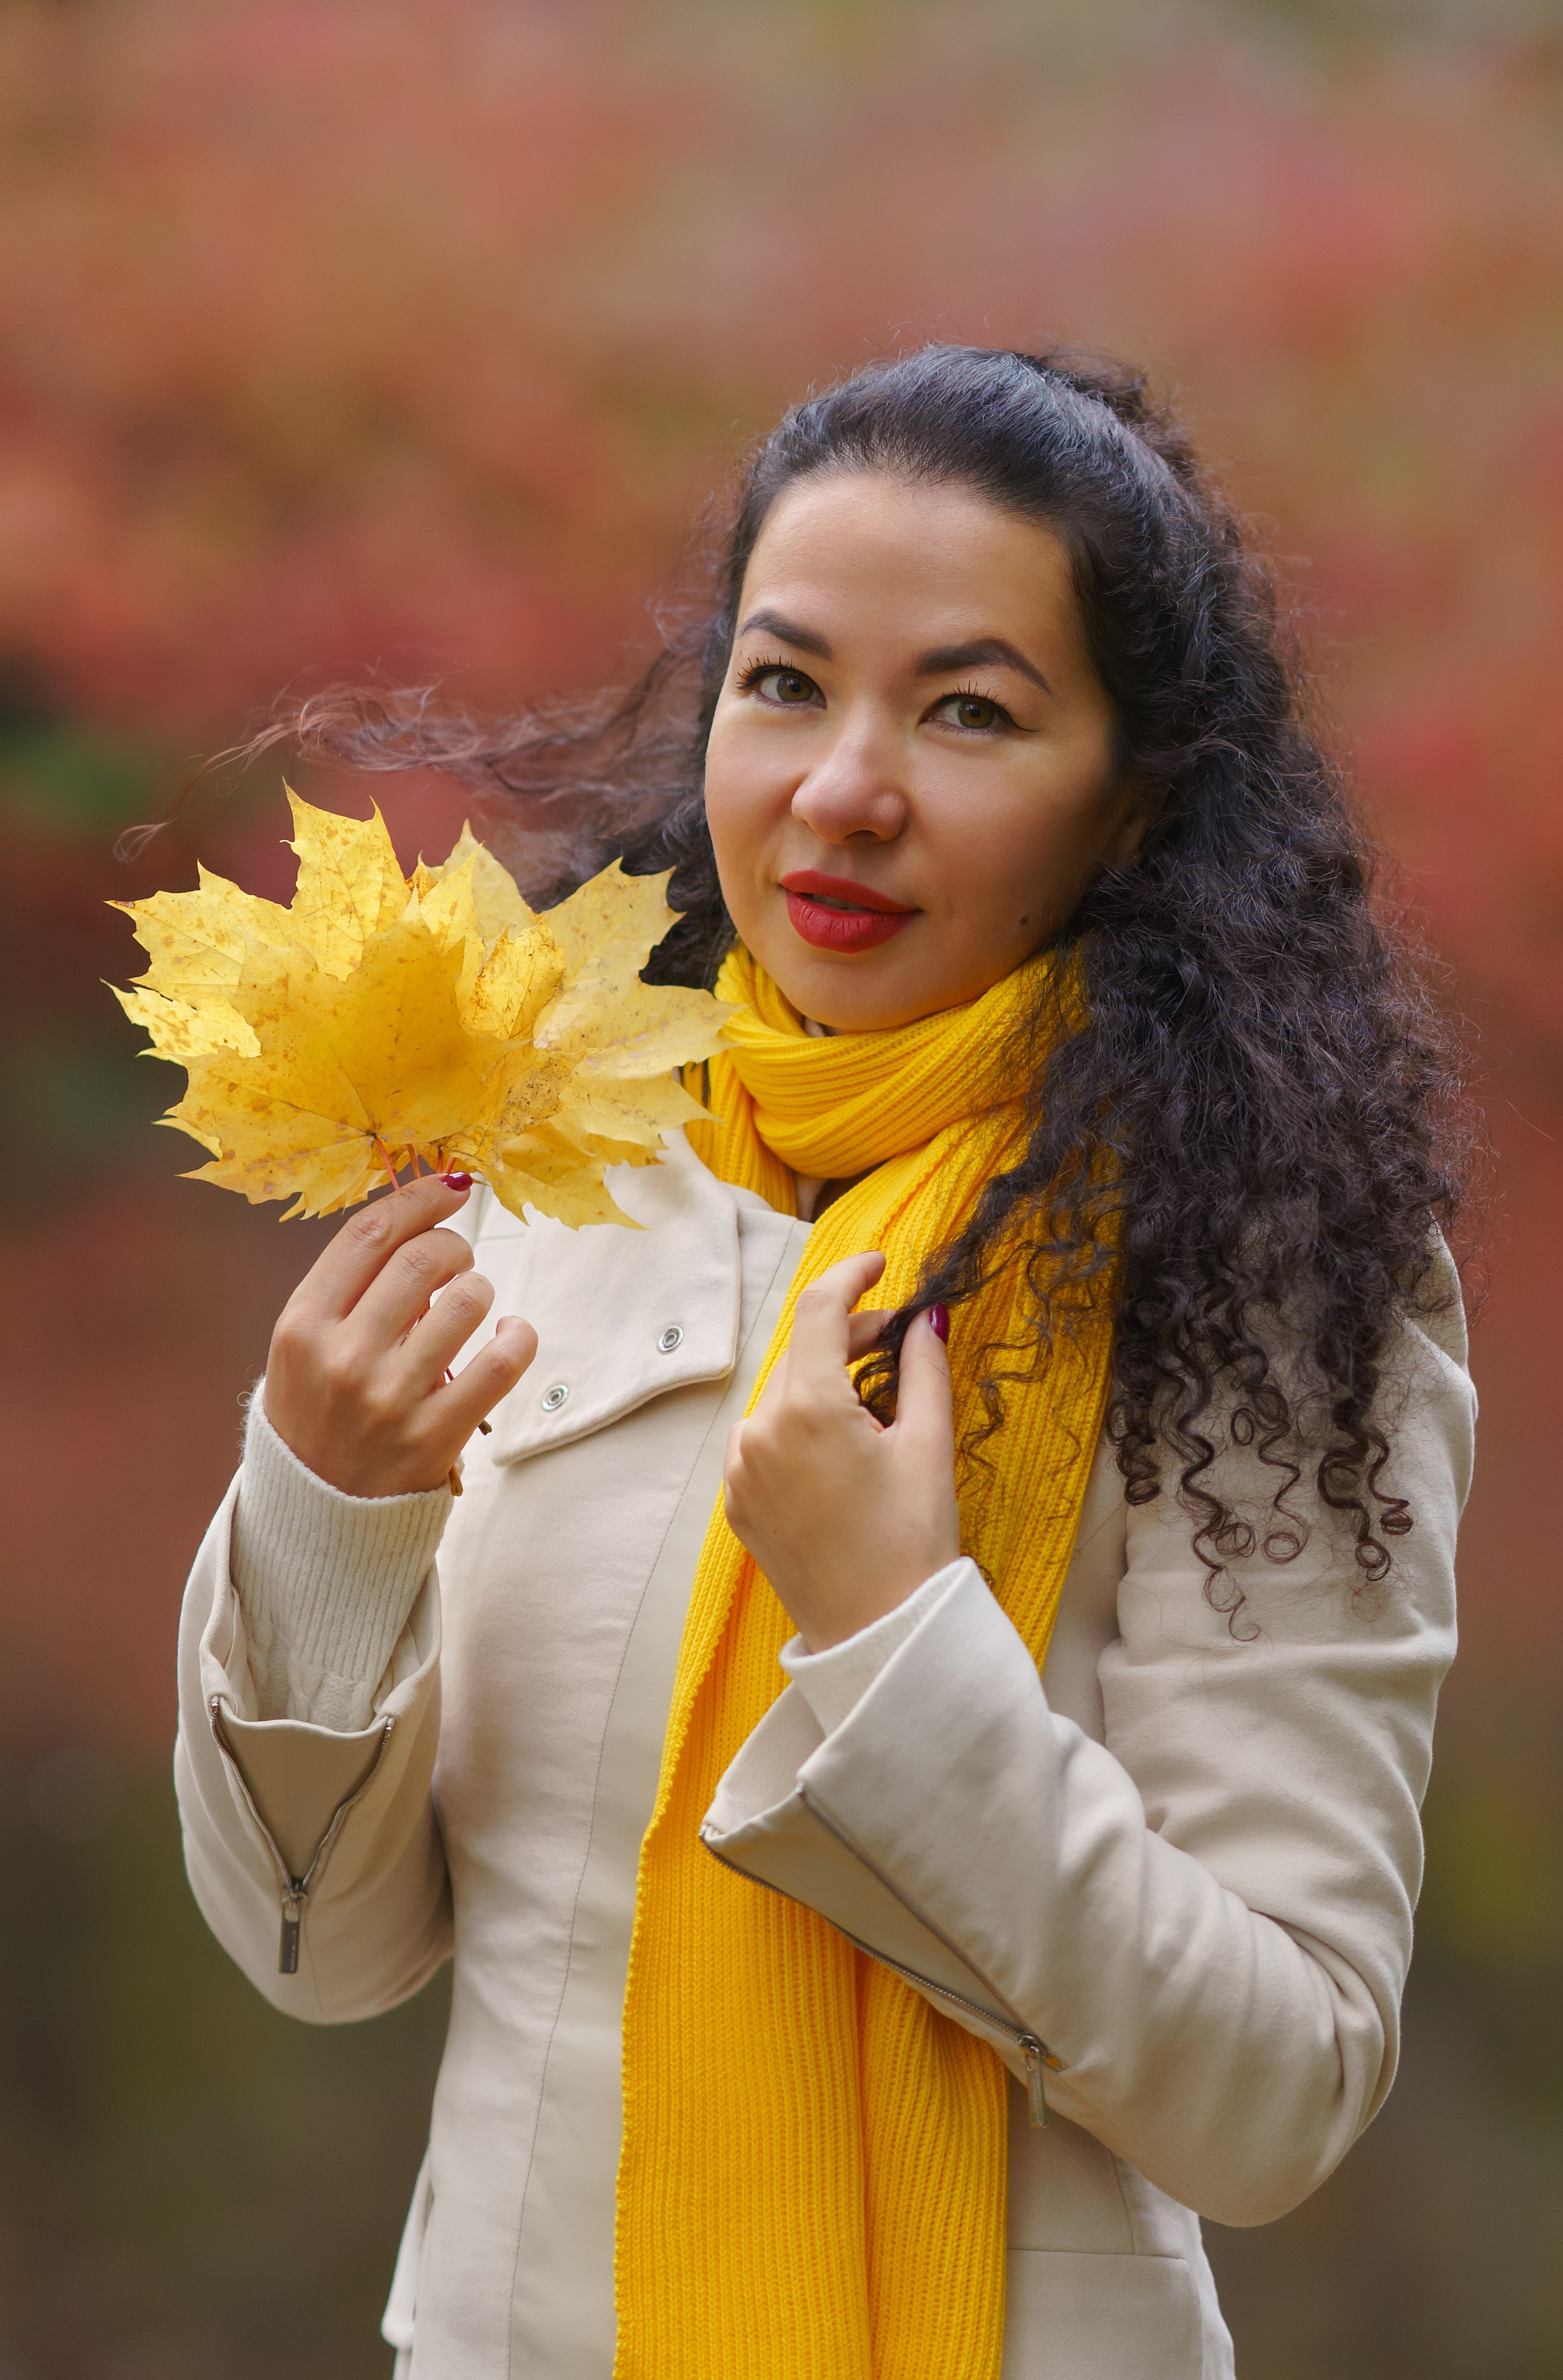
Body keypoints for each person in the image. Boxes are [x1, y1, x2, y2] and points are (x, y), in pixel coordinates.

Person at [174, 346, 1474, 2380]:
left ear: (1135, 797)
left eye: (970, 711)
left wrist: (889, 1641)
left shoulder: (1259, 1257)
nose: (843, 789)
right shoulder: (561, 1171)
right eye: (785, 684)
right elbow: (318, 1959)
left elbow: (1276, 2098)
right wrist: (327, 1521)